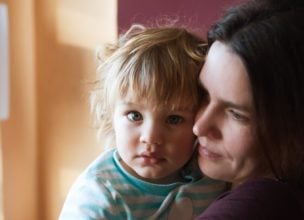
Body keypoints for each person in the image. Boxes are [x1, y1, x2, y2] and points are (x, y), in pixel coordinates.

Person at [193, 0, 304, 219]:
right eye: (204, 94)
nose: (199, 127)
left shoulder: (256, 207)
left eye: (237, 114)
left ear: (301, 124)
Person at [59, 24, 226, 220]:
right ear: (111, 115)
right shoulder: (98, 196)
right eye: (134, 116)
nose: (151, 138)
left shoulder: (212, 174)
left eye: (174, 119)